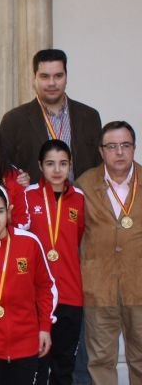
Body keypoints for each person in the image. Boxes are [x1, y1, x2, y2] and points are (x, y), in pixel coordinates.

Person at [0, 182, 57, 385]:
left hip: (26, 345)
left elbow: (46, 287)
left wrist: (45, 327)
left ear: (9, 211)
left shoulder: (29, 242)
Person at [76, 121, 142, 384]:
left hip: (138, 284)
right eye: (112, 146)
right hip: (98, 286)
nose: (119, 152)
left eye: (125, 145)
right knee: (100, 359)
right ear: (101, 151)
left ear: (134, 148)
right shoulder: (84, 184)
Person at [25, 140, 84, 385]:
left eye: (63, 164)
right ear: (40, 166)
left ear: (70, 165)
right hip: (36, 296)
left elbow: (77, 238)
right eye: (50, 164)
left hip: (70, 294)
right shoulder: (28, 195)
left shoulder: (79, 199)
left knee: (64, 365)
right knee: (37, 365)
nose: (57, 170)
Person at [0, 49, 102, 182]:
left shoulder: (89, 117)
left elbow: (99, 166)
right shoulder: (14, 120)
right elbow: (2, 166)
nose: (52, 83)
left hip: (79, 200)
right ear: (34, 78)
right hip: (34, 200)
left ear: (66, 77)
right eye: (44, 76)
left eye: (58, 76)